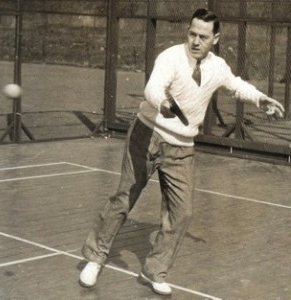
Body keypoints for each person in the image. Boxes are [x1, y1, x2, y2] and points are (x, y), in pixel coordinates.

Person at [79, 8, 284, 296]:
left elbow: (236, 85)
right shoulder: (171, 57)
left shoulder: (218, 67)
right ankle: (95, 257)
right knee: (124, 199)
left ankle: (154, 271)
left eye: (203, 36)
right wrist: (162, 103)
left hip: (182, 148)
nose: (196, 41)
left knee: (182, 212)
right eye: (192, 34)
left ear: (215, 38)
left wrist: (260, 99)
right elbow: (153, 87)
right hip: (147, 135)